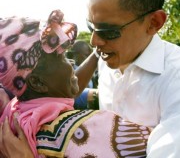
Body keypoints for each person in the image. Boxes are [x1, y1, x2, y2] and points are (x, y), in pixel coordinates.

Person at [1, 0, 180, 157]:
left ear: (154, 22)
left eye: (108, 31)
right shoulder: (108, 63)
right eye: (91, 27)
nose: (95, 41)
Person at [0, 10, 151, 157]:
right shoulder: (92, 129)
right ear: (37, 82)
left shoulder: (13, 118)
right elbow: (162, 145)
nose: (71, 63)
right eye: (61, 58)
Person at [67, 40, 99, 109]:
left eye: (91, 55)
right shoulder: (67, 72)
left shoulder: (91, 71)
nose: (90, 58)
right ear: (75, 55)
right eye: (87, 55)